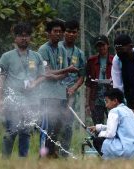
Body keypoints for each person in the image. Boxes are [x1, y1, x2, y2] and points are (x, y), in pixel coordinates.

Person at [0, 22, 45, 158]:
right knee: (11, 131)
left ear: (30, 38)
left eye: (27, 35)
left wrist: (35, 83)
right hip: (12, 100)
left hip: (30, 101)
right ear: (15, 38)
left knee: (25, 132)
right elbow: (0, 80)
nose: (24, 38)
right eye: (21, 36)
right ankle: (5, 161)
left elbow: (42, 75)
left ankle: (23, 160)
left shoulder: (36, 56)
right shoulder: (6, 56)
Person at [38, 20, 78, 158]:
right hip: (47, 95)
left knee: (57, 127)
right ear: (48, 33)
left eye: (60, 31)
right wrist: (62, 72)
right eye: (55, 31)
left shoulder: (61, 49)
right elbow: (47, 74)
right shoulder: (43, 49)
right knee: (48, 127)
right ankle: (42, 156)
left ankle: (50, 154)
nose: (58, 34)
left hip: (61, 94)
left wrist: (57, 74)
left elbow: (64, 74)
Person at [88, 88, 134, 160]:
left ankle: (111, 164)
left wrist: (100, 134)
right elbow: (118, 127)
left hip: (128, 151)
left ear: (115, 101)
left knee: (98, 141)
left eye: (107, 102)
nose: (106, 105)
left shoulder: (114, 111)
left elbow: (110, 133)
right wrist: (98, 127)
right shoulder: (129, 111)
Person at [58, 20, 85, 157]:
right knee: (53, 121)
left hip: (70, 94)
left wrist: (74, 88)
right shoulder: (56, 48)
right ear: (64, 32)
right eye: (68, 31)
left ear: (77, 34)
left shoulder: (79, 54)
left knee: (67, 124)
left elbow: (81, 76)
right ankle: (50, 153)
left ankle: (64, 154)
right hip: (54, 92)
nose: (70, 34)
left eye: (73, 32)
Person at [85, 35, 114, 125]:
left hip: (111, 98)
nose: (101, 48)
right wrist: (87, 103)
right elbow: (88, 83)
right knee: (98, 126)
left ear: (108, 45)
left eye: (103, 45)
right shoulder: (91, 61)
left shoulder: (114, 60)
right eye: (99, 46)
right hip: (96, 99)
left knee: (113, 125)